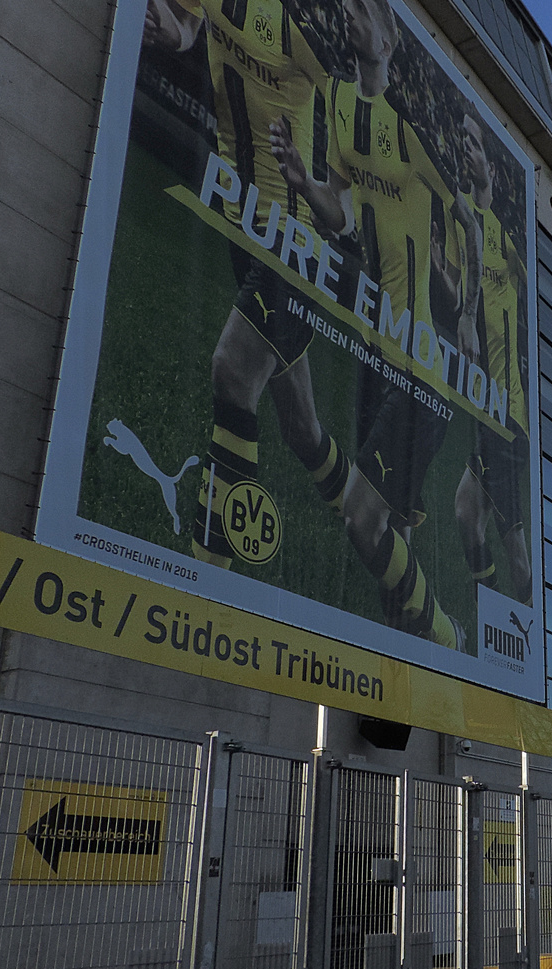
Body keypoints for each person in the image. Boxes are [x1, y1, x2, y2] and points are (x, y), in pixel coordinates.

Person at [270, 0, 480, 647]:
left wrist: (468, 315)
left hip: (421, 366)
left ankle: (446, 636)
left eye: (366, 11)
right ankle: (411, 664)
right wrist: (307, 186)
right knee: (394, 537)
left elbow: (467, 221)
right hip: (375, 354)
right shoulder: (340, 116)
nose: (352, 17)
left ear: (390, 41)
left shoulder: (409, 135)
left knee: (363, 521)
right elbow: (342, 223)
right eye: (351, 9)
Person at [144, 0, 350, 570]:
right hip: (243, 230)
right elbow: (189, 27)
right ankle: (391, 562)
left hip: (295, 242)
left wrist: (327, 191)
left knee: (232, 373)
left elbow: (347, 153)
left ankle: (211, 583)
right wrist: (173, 34)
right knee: (303, 430)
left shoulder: (303, 33)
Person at [453, 109, 531, 603]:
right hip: (485, 405)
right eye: (461, 140)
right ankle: (497, 618)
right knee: (465, 511)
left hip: (506, 411)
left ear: (494, 169)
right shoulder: (458, 211)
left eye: (475, 143)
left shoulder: (508, 239)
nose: (466, 148)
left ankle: (522, 626)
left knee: (516, 548)